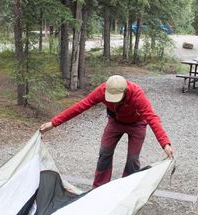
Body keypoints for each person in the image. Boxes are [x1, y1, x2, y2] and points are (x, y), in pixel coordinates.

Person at [40, 75, 174, 187]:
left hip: (137, 124)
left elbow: (152, 118)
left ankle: (128, 187)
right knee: (104, 153)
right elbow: (81, 106)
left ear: (125, 91)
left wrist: (165, 144)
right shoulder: (102, 90)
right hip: (115, 122)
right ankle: (99, 187)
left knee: (133, 159)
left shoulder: (136, 94)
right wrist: (54, 123)